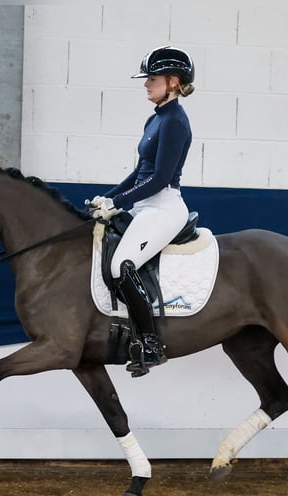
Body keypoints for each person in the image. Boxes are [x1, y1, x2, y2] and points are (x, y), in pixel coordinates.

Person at [89, 45, 195, 377]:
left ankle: (150, 342)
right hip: (145, 202)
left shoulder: (175, 121)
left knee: (122, 264)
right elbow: (138, 174)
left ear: (173, 82)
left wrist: (118, 203)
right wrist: (106, 198)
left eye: (152, 78)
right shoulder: (156, 118)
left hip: (164, 206)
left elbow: (160, 178)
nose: (146, 84)